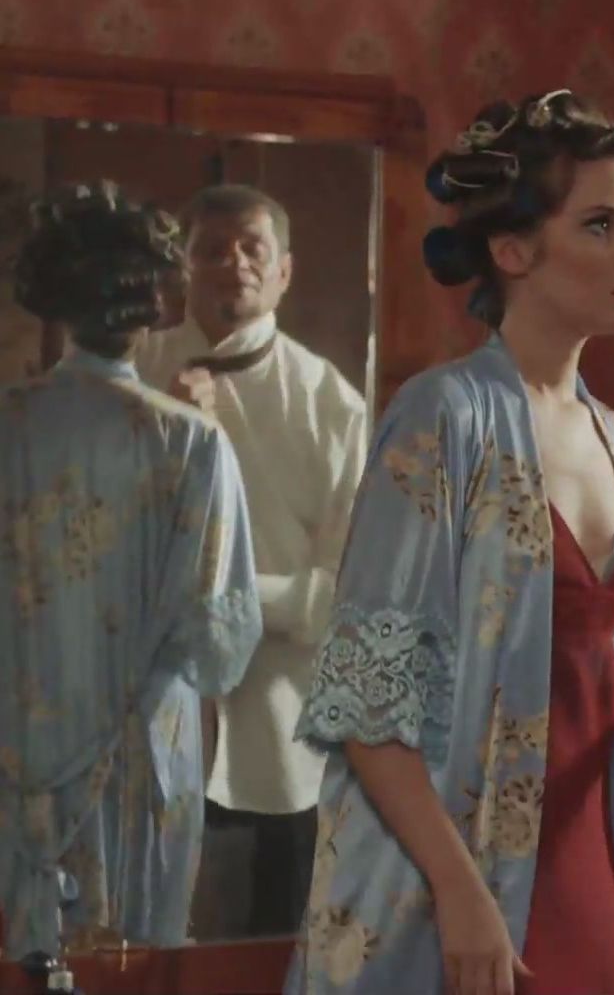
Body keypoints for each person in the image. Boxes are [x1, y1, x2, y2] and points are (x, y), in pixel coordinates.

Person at [284, 91, 614, 995]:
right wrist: (460, 892)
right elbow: (369, 704)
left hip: (584, 861)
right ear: (513, 249)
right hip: (449, 879)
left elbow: (550, 674)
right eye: (601, 225)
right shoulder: (443, 417)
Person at [0, 181, 262, 957]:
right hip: (142, 760)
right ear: (153, 307)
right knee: (132, 968)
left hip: (15, 744)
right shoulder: (191, 441)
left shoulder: (10, 425)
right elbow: (219, 645)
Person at [136, 184, 369, 937]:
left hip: (281, 744)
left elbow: (345, 591)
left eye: (252, 248)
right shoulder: (132, 377)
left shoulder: (332, 406)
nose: (233, 263)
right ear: (183, 268)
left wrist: (224, 600)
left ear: (284, 272)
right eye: (212, 249)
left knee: (272, 957)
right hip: (146, 726)